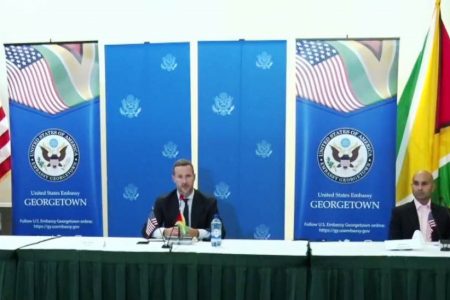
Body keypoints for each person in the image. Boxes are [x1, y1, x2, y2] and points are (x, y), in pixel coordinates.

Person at [142, 159, 224, 240]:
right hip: (172, 251)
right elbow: (146, 231)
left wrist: (197, 233)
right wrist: (166, 232)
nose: (184, 181)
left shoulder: (209, 202)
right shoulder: (163, 201)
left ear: (194, 177)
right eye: (180, 177)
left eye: (188, 176)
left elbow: (220, 232)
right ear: (173, 178)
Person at [389, 170, 450, 241]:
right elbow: (395, 243)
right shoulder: (399, 213)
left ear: (433, 187)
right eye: (416, 183)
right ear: (411, 187)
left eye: (424, 184)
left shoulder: (445, 213)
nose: (419, 188)